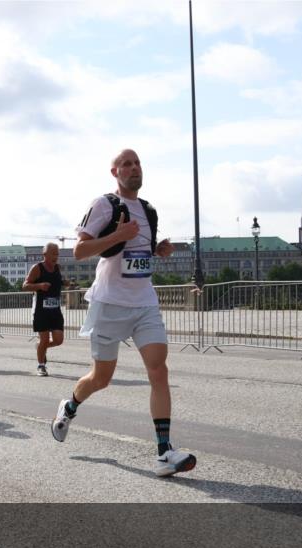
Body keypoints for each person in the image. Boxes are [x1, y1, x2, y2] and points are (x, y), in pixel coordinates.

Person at [51, 148, 195, 478]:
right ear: (114, 172)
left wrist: (158, 251)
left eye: (137, 163)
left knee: (159, 370)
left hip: (144, 302)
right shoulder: (104, 205)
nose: (133, 168)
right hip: (110, 303)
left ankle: (164, 452)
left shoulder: (148, 211)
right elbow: (79, 250)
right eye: (126, 164)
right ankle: (70, 406)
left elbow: (137, 253)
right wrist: (119, 234)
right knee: (101, 378)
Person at [23, 243, 64, 376]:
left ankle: (40, 346)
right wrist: (40, 285)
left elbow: (57, 282)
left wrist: (66, 283)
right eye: (53, 253)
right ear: (44, 254)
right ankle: (41, 365)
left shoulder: (58, 268)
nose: (55, 256)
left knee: (59, 340)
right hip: (41, 309)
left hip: (55, 309)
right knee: (45, 339)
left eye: (57, 254)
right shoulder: (37, 268)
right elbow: (25, 286)